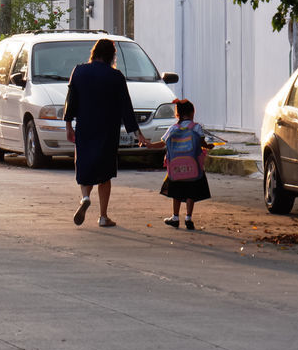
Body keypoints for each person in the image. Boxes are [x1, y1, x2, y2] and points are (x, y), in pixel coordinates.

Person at [63, 37, 147, 228]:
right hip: (108, 130)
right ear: (111, 55)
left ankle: (85, 197)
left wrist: (68, 125)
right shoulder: (116, 76)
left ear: (94, 52)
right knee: (105, 173)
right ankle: (103, 216)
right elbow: (127, 107)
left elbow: (71, 101)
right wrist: (137, 133)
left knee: (85, 166)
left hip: (85, 127)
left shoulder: (78, 71)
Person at [143, 99, 214, 230]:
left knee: (176, 192)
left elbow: (163, 143)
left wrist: (149, 145)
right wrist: (208, 146)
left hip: (176, 168)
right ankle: (188, 217)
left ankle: (175, 217)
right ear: (192, 113)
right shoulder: (196, 127)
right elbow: (202, 142)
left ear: (178, 114)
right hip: (193, 168)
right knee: (190, 193)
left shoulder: (173, 128)